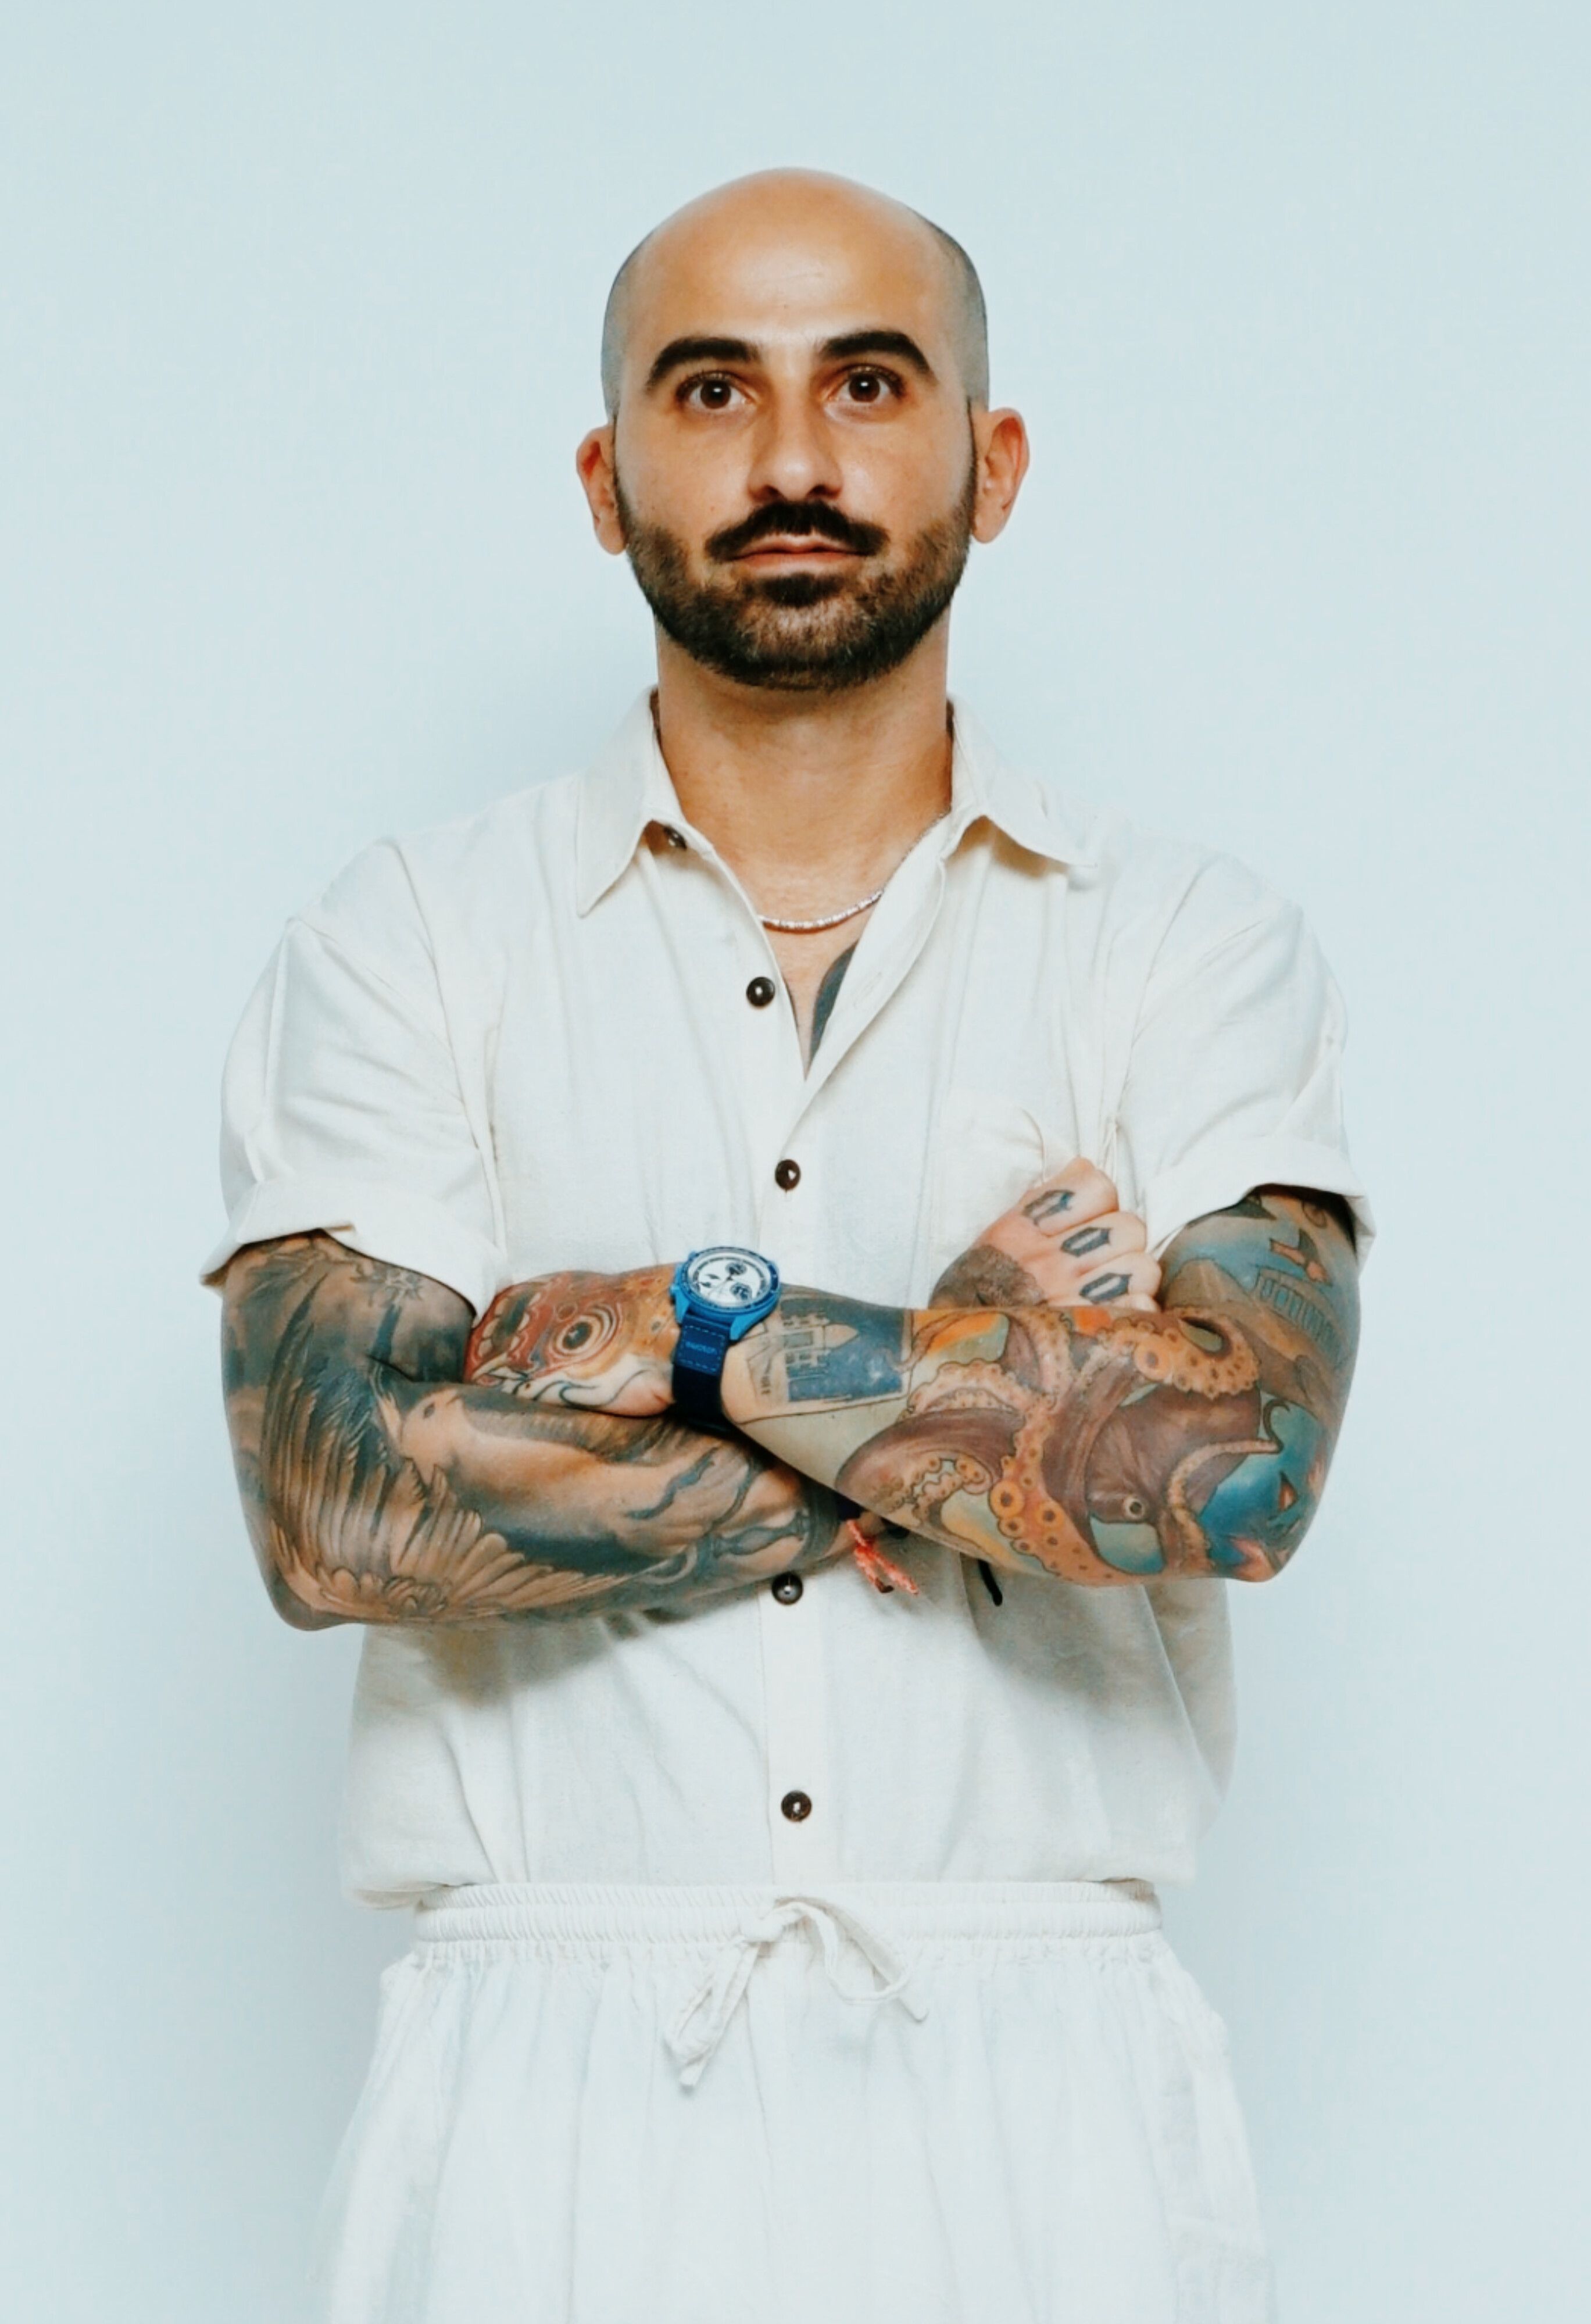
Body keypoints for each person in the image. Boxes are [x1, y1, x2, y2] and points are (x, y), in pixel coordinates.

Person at [207, 169, 1368, 2324]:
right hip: (546, 2081)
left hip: (1043, 2096)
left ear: (990, 462)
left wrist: (683, 1322)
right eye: (712, 390)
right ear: (606, 479)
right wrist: (967, 1388)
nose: (794, 459)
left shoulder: (1185, 945)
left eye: (868, 383)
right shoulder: (410, 937)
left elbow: (1233, 1467)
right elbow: (334, 1503)